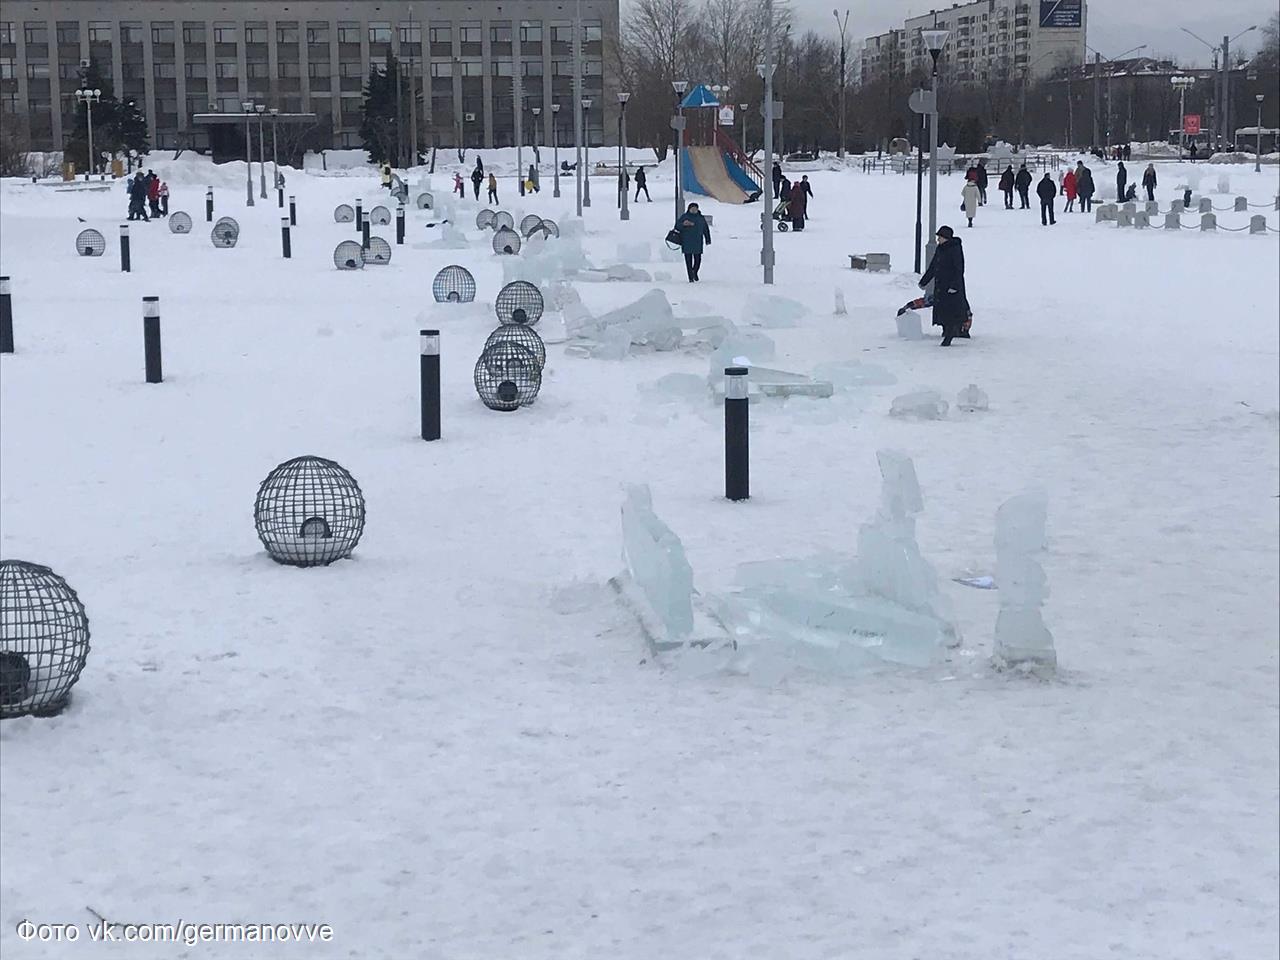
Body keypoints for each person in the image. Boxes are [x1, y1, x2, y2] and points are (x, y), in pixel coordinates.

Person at [918, 225, 967, 347]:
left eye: (940, 237)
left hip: (951, 287)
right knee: (943, 311)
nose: (938, 239)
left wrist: (954, 286)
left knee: (951, 311)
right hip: (941, 286)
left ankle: (950, 335)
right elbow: (933, 267)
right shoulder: (940, 249)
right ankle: (946, 332)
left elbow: (959, 268)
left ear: (946, 238)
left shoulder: (955, 249)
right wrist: (924, 281)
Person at [673, 202, 711, 282]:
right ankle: (690, 276)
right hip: (686, 241)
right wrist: (683, 224)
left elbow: (705, 229)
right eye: (692, 209)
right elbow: (677, 226)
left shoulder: (701, 218)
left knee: (698, 260)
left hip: (698, 241)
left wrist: (708, 239)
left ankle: (695, 272)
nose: (694, 210)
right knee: (688, 260)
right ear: (689, 209)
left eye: (695, 209)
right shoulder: (684, 217)